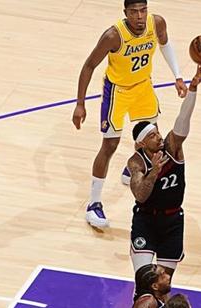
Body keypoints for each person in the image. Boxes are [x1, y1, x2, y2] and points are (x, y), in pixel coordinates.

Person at [73, 0, 188, 228]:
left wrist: (177, 76)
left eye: (143, 10)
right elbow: (89, 66)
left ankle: (132, 169)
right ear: (125, 13)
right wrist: (80, 104)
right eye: (134, 12)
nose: (139, 16)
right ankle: (93, 204)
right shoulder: (113, 36)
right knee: (110, 145)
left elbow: (165, 44)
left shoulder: (157, 23)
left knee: (153, 138)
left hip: (143, 86)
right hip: (117, 91)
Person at [127, 65, 201, 276]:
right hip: (146, 220)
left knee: (163, 284)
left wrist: (193, 90)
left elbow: (183, 120)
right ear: (141, 144)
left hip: (172, 221)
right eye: (152, 136)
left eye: (157, 132)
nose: (159, 137)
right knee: (144, 280)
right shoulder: (136, 162)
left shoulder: (171, 148)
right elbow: (140, 195)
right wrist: (154, 172)